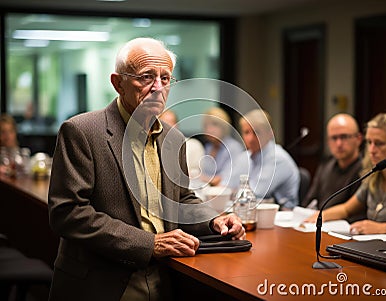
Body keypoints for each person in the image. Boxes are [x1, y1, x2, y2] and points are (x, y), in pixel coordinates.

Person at [47, 37, 245, 301]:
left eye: (166, 78)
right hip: (102, 282)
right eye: (147, 77)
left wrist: (214, 220)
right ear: (118, 83)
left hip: (165, 276)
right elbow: (68, 213)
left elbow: (182, 199)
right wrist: (149, 244)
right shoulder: (82, 131)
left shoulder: (173, 140)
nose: (158, 88)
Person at [304, 112, 386, 235]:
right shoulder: (375, 176)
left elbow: (379, 227)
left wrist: (385, 228)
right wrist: (320, 216)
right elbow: (346, 209)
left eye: (379, 143)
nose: (371, 150)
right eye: (369, 142)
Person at [221, 109, 300, 210]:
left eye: (256, 132)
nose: (250, 138)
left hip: (280, 217)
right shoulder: (244, 157)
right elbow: (225, 187)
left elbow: (254, 194)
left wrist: (232, 193)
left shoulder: (278, 159)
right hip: (248, 212)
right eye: (246, 132)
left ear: (270, 133)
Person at [302, 114, 364, 220]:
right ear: (328, 142)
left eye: (344, 137)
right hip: (320, 225)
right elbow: (309, 202)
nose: (339, 143)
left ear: (358, 139)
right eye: (334, 138)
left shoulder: (367, 170)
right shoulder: (326, 165)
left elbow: (357, 213)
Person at [201, 107, 243, 186]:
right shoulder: (208, 147)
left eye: (214, 125)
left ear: (224, 127)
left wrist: (203, 178)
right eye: (206, 125)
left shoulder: (234, 148)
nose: (209, 129)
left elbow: (225, 180)